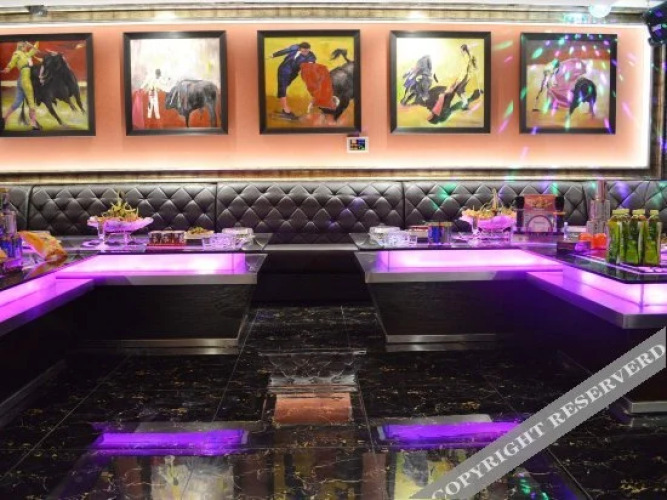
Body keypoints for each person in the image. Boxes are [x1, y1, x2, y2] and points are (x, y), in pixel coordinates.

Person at [1, 41, 41, 130]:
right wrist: (8, 68)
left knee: (17, 102)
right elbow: (12, 62)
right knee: (31, 102)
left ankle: (3, 119)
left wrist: (34, 42)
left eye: (26, 46)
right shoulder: (17, 53)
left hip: (21, 80)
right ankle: (34, 124)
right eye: (25, 46)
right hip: (25, 80)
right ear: (21, 46)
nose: (26, 47)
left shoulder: (26, 54)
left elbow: (35, 49)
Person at [271, 41, 316, 119]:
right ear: (299, 49)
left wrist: (307, 68)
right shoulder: (294, 47)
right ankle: (286, 110)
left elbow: (311, 63)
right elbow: (285, 51)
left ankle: (283, 106)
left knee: (285, 86)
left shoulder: (311, 56)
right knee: (282, 88)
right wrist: (273, 55)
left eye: (307, 51)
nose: (306, 53)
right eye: (304, 51)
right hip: (283, 69)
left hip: (293, 73)